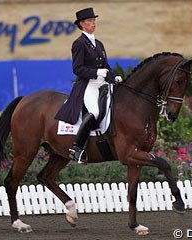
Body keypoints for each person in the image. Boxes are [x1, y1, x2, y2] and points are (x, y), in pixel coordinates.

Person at [55, 7, 122, 164]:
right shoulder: (79, 43)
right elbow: (77, 69)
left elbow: (105, 65)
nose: (93, 23)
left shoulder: (98, 44)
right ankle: (77, 148)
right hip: (88, 85)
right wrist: (98, 73)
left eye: (94, 20)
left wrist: (113, 76)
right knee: (95, 112)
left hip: (103, 84)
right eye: (90, 21)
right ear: (82, 24)